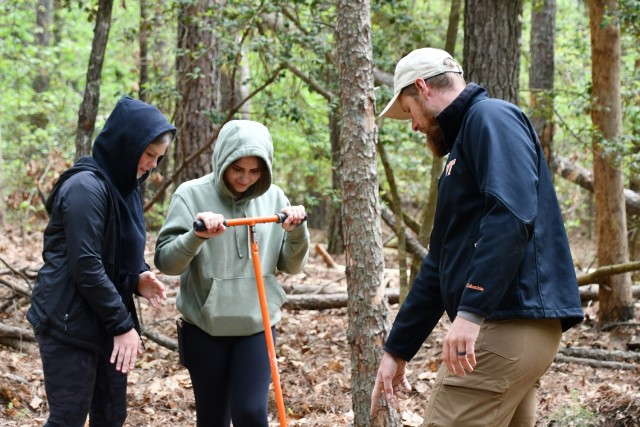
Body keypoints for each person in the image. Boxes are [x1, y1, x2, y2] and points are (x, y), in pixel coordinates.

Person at [370, 48, 584, 426]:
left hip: (505, 323)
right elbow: (439, 263)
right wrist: (397, 350)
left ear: (422, 88)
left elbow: (511, 215)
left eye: (409, 110)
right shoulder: (461, 152)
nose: (413, 125)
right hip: (509, 327)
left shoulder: (491, 117)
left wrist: (470, 313)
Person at [27, 96, 176, 427]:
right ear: (126, 143)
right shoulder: (85, 187)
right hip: (69, 320)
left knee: (111, 416)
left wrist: (138, 276)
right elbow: (86, 264)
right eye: (149, 154)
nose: (153, 165)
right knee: (69, 417)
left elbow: (118, 251)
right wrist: (122, 325)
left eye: (159, 158)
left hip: (104, 317)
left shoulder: (125, 185)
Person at [154, 119, 310, 427]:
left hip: (256, 325)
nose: (245, 178)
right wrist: (196, 235)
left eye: (255, 171)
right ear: (222, 160)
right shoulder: (190, 195)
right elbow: (167, 263)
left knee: (251, 412)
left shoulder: (274, 198)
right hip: (204, 328)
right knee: (213, 419)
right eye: (237, 169)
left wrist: (296, 232)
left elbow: (291, 266)